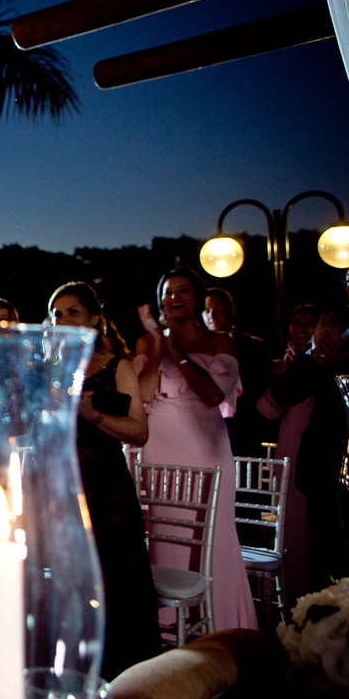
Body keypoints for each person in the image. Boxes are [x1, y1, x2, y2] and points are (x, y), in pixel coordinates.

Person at [135, 267, 257, 632]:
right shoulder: (147, 342)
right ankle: (170, 627)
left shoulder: (220, 342)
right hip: (159, 450)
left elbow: (214, 395)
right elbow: (143, 394)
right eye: (168, 291)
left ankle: (220, 625)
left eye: (183, 290)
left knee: (212, 537)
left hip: (206, 449)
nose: (174, 296)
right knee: (163, 536)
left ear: (198, 297)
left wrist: (176, 350)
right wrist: (159, 344)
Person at [49, 282, 160, 678]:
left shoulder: (117, 366)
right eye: (56, 314)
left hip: (105, 487)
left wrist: (91, 413)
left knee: (113, 578)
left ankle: (121, 675)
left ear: (94, 318)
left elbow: (139, 432)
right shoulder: (49, 368)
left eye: (72, 312)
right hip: (59, 486)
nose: (63, 320)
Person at [266, 271, 349, 593]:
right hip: (326, 469)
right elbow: (284, 391)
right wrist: (316, 357)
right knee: (328, 564)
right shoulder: (335, 332)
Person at [255, 304, 317, 601]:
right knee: (291, 527)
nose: (301, 328)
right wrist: (289, 374)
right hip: (290, 449)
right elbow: (267, 410)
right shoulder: (278, 365)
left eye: (309, 323)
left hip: (319, 449)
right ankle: (294, 599)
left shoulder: (329, 363)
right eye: (296, 322)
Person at [204, 288, 273, 457]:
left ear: (232, 310)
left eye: (218, 309)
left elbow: (257, 389)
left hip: (243, 431)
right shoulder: (194, 346)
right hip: (204, 429)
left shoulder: (255, 347)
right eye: (207, 310)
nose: (212, 315)